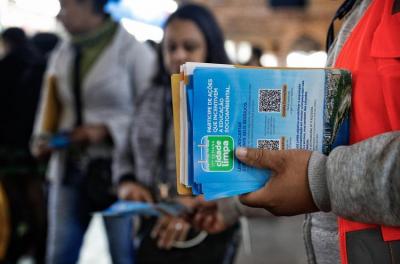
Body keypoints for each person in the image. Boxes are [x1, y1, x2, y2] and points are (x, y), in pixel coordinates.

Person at [195, 0, 400, 263]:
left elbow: (317, 173)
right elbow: (322, 152)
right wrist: (231, 204)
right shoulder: (362, 12)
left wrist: (320, 180)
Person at [31, 0, 156, 263]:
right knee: (60, 252)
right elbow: (50, 102)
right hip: (69, 166)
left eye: (65, 7)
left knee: (124, 252)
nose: (60, 15)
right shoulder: (64, 51)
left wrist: (107, 129)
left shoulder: (134, 51)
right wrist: (41, 139)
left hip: (118, 171)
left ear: (89, 6)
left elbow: (152, 112)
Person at [116, 4, 240, 264]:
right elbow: (125, 152)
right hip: (150, 228)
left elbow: (244, 171)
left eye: (189, 46)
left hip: (207, 231)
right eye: (171, 47)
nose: (178, 55)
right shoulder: (148, 96)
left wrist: (196, 204)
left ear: (209, 48)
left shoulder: (229, 100)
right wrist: (127, 183)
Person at [0, 27, 47, 264]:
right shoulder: (40, 65)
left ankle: (15, 246)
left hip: (9, 148)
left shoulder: (6, 65)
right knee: (36, 200)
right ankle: (39, 248)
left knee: (13, 204)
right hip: (33, 145)